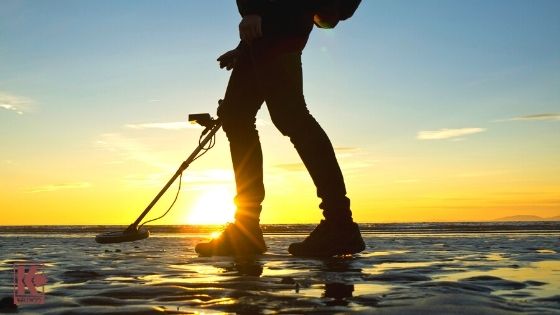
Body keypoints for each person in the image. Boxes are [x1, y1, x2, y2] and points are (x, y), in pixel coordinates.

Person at [195, 0, 365, 257]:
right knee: (236, 117)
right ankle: (246, 228)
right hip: (271, 25)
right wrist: (245, 44)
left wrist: (253, 10)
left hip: (280, 20)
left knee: (291, 116)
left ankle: (340, 223)